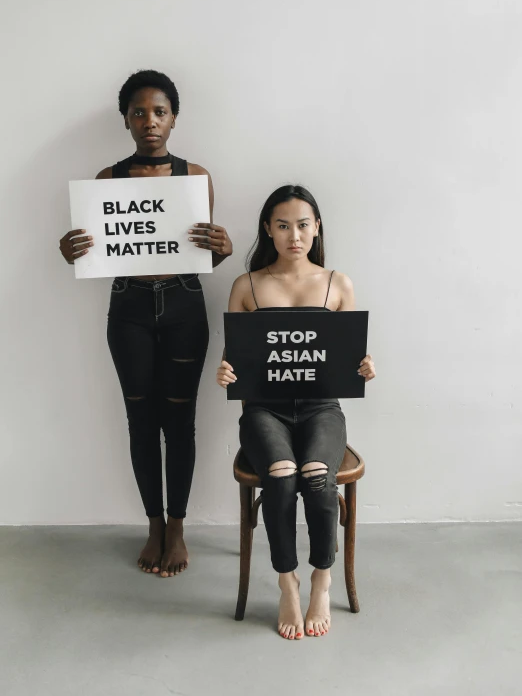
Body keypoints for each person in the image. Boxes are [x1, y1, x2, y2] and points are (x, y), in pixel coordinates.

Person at [60, 70, 232, 577]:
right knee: (139, 420)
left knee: (179, 422)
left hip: (183, 305)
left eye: (159, 112)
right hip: (129, 307)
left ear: (174, 118)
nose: (149, 121)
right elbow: (98, 252)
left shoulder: (195, 176)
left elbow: (203, 257)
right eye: (139, 112)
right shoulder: (106, 182)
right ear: (126, 120)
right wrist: (71, 250)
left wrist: (220, 251)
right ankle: (153, 525)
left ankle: (176, 527)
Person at [216, 184, 375, 640]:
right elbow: (236, 359)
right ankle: (287, 582)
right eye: (283, 225)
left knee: (317, 472)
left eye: (303, 225)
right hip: (265, 411)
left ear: (317, 227)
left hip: (322, 407)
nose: (294, 235)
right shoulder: (246, 285)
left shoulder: (337, 283)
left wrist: (364, 365)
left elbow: (350, 356)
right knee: (283, 473)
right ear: (268, 229)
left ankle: (321, 579)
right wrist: (225, 373)